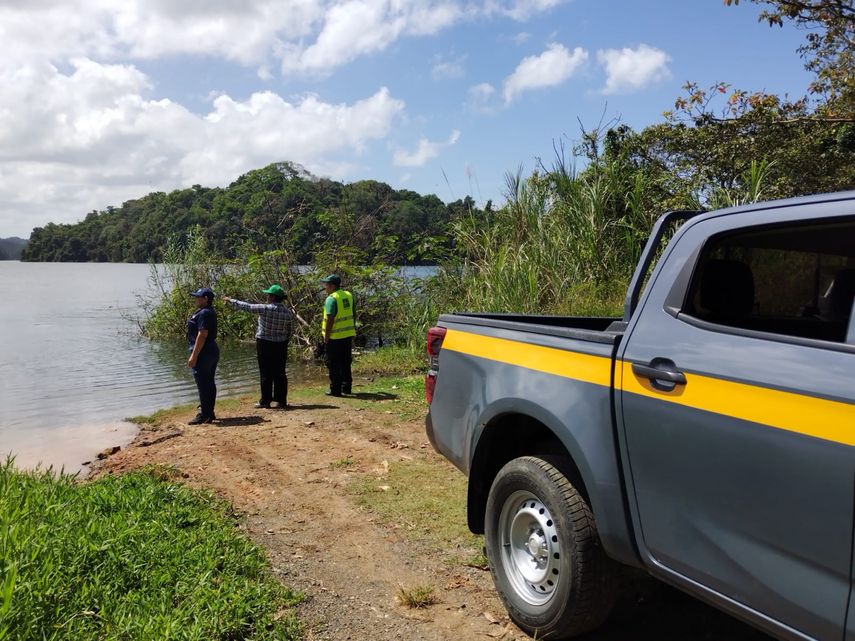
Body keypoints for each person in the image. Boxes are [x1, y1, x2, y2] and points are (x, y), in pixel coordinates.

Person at [223, 285, 293, 409]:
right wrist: (284, 341)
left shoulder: (265, 309)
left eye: (268, 295)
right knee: (280, 373)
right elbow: (290, 331)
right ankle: (281, 401)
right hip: (281, 345)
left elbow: (247, 306)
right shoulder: (288, 313)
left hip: (265, 343)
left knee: (265, 372)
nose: (267, 297)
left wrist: (230, 300)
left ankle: (265, 401)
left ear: (272, 297)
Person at [187, 287, 219, 424]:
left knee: (203, 383)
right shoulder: (206, 311)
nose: (196, 299)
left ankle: (205, 414)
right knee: (208, 382)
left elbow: (202, 334)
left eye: (198, 297)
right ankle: (209, 411)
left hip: (204, 352)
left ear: (206, 299)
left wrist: (194, 356)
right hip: (210, 350)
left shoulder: (205, 313)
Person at [320, 274, 355, 396]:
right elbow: (353, 313)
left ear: (332, 286)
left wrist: (326, 337)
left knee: (333, 363)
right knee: (345, 362)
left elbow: (330, 319)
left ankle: (335, 389)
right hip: (347, 335)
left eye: (326, 285)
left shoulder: (331, 299)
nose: (325, 287)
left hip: (334, 337)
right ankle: (346, 387)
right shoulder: (348, 295)